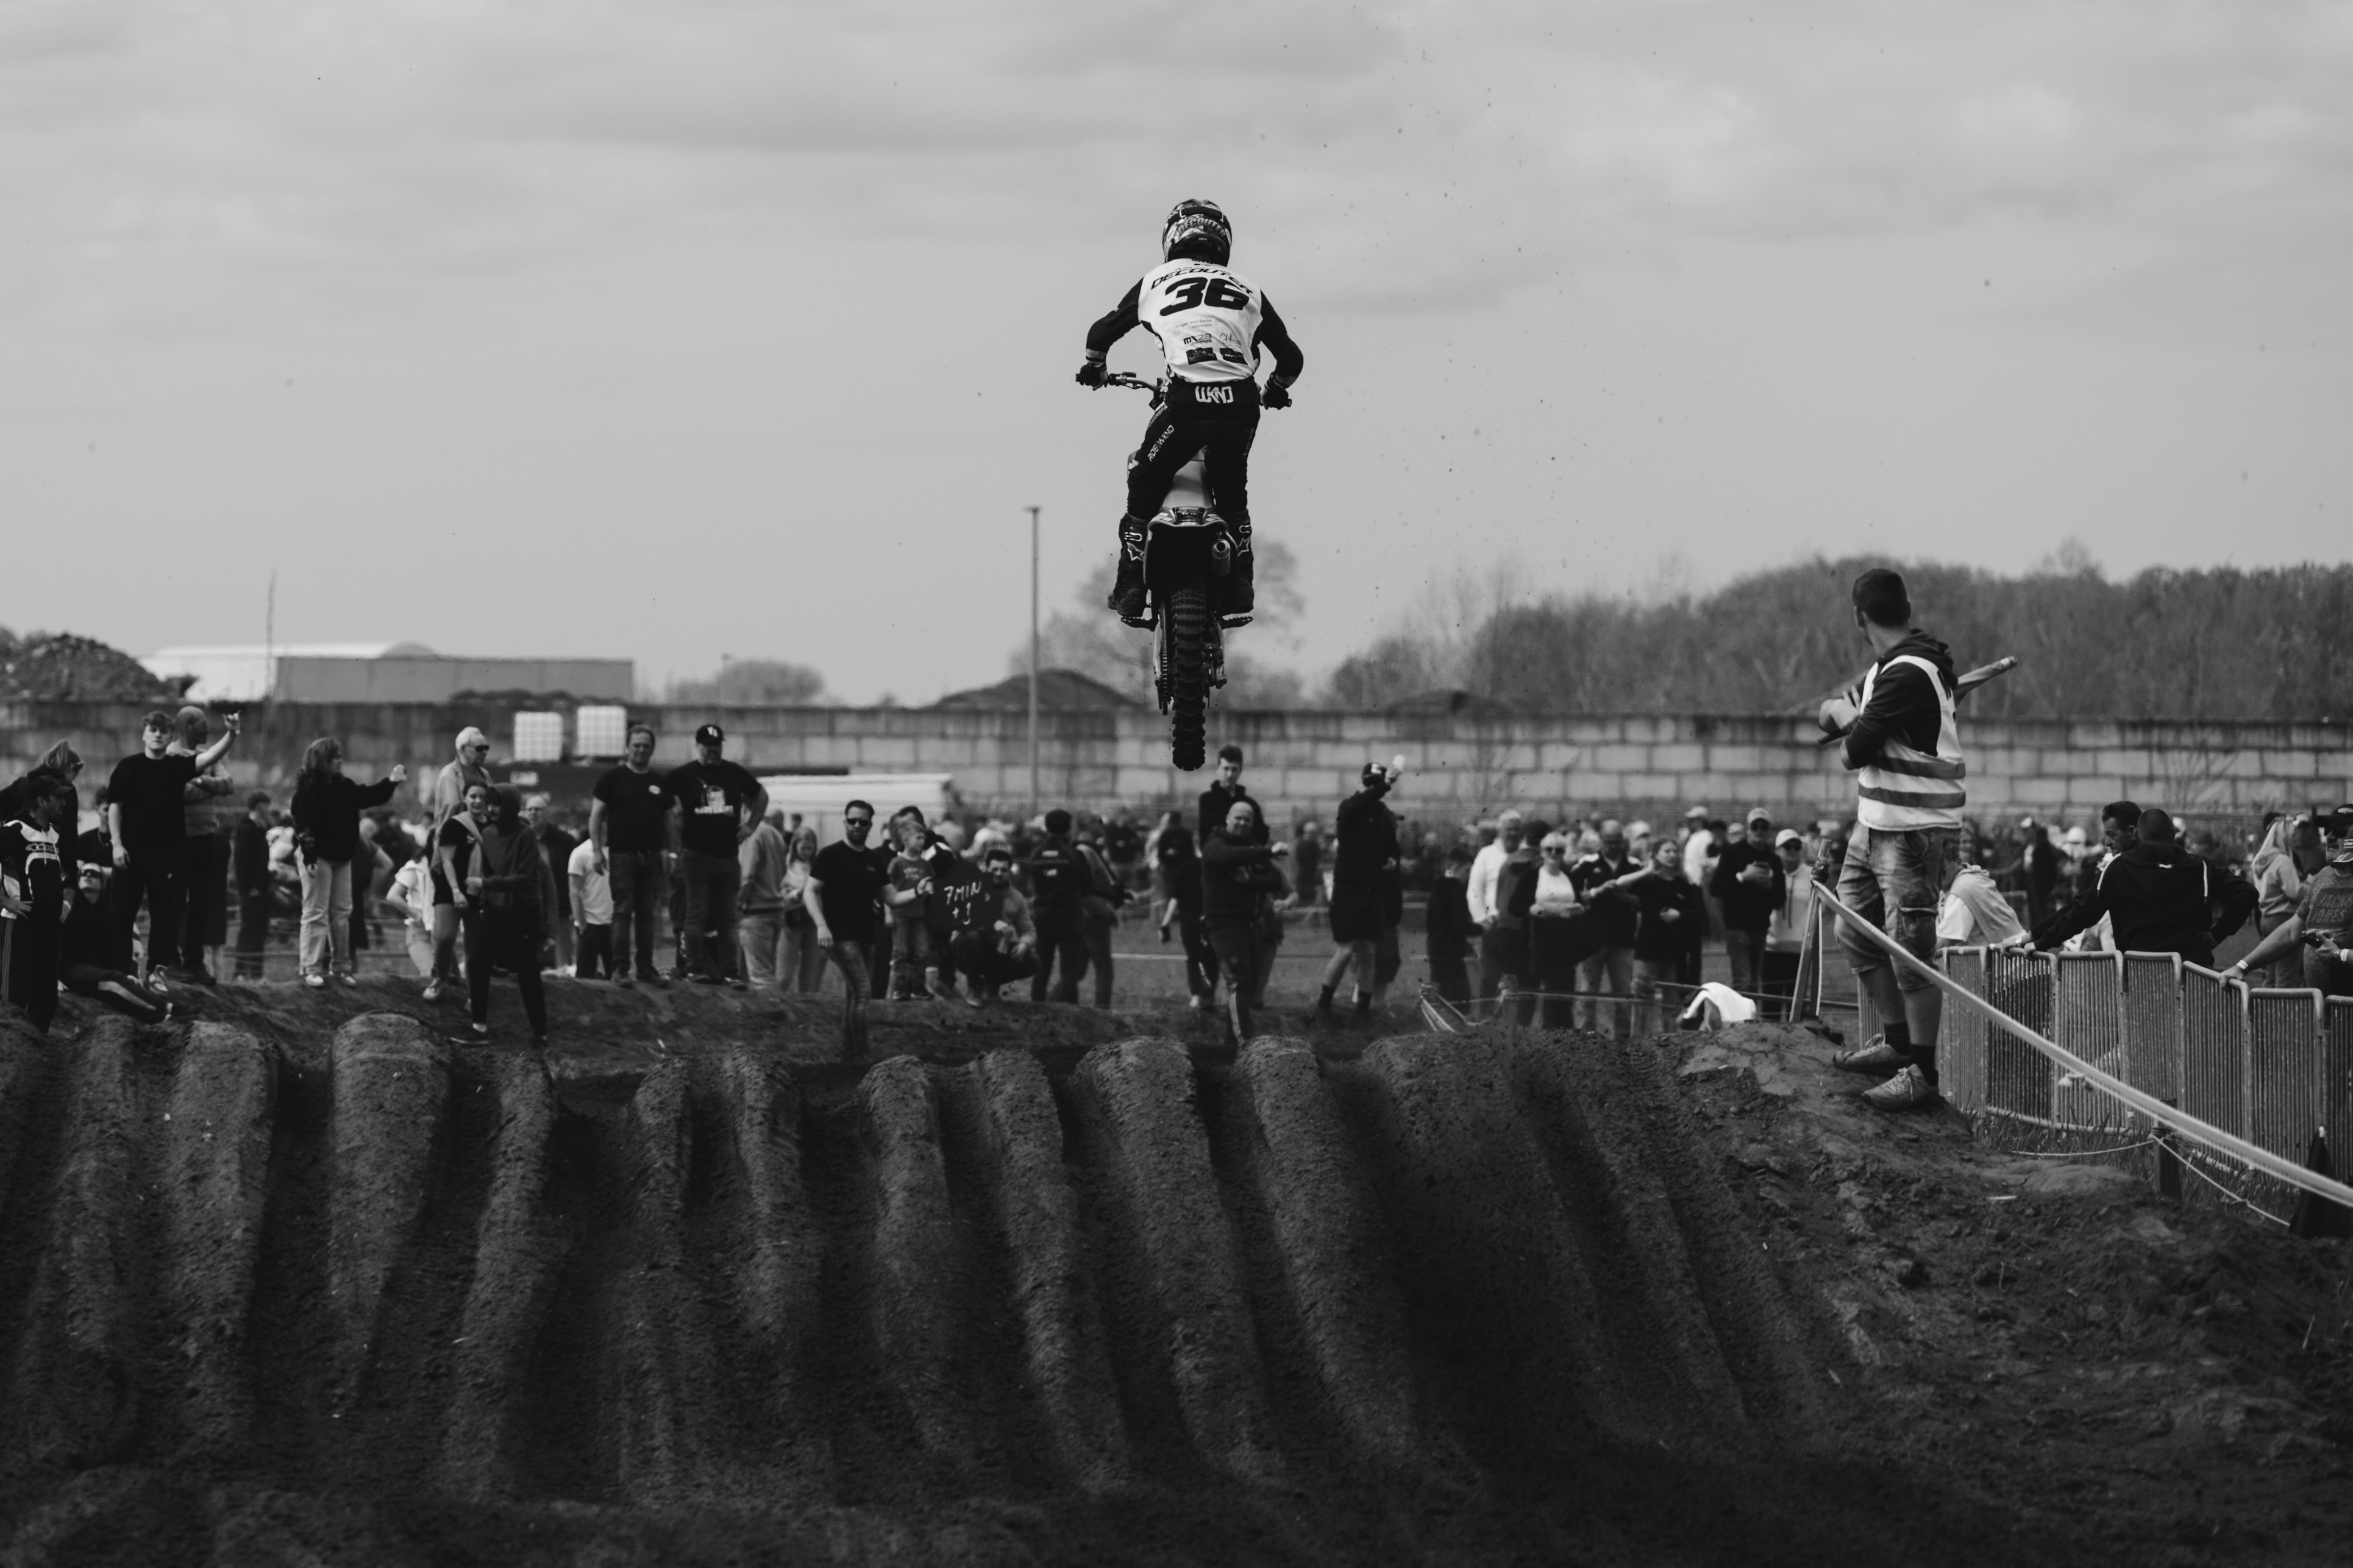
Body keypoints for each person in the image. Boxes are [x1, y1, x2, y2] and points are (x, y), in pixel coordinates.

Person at [1076, 198, 1305, 625]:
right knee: (1233, 490)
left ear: (1171, 241)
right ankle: (1240, 581)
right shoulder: (1247, 288)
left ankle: (1130, 585)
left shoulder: (1157, 280)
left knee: (1144, 479)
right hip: (1240, 403)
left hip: (1186, 403)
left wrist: (1095, 367)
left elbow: (1101, 332)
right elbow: (1291, 359)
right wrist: (1274, 390)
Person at [1815, 568, 1968, 1112]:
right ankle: (1898, 1042)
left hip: (1911, 832)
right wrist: (1843, 712)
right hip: (1876, 822)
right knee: (1853, 930)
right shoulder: (1891, 668)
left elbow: (1850, 751)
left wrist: (1843, 715)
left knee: (1911, 950)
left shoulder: (1909, 672)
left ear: (1859, 618)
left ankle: (1922, 1071)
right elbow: (1842, 717)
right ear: (1907, 607)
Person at [2025, 805, 2256, 970]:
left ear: (2138, 835)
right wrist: (2219, 933)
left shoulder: (2120, 869)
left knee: (2146, 1038)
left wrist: (2042, 943)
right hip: (2193, 970)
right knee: (2191, 1036)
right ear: (2173, 834)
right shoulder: (2201, 867)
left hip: (2142, 970)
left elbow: (2081, 913)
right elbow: (2246, 894)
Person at [107, 708, 240, 990]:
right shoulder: (127, 767)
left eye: (162, 731)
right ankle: (120, 970)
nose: (157, 735)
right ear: (144, 734)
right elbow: (115, 807)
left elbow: (210, 757)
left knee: (162, 917)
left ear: (170, 736)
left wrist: (231, 733)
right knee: (123, 914)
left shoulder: (176, 767)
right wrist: (117, 845)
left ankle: (155, 972)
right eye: (152, 730)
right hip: (131, 853)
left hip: (165, 855)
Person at [288, 739, 408, 988]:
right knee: (316, 913)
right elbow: (302, 825)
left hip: (342, 858)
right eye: (334, 758)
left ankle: (341, 967)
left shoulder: (344, 786)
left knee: (342, 912)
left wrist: (392, 782)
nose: (340, 761)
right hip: (317, 857)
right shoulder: (308, 792)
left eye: (340, 757)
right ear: (322, 761)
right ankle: (310, 968)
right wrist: (309, 855)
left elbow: (368, 795)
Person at [664, 723, 767, 988]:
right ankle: (695, 968)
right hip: (695, 856)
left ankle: (730, 972)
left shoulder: (733, 772)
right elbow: (659, 796)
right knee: (697, 913)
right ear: (697, 746)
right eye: (708, 746)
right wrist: (671, 831)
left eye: (717, 745)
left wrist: (751, 826)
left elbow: (761, 795)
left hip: (727, 856)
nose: (713, 750)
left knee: (727, 917)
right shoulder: (684, 775)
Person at [2227, 806, 2353, 998]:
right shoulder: (2323, 877)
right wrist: (2243, 966)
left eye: (2341, 831)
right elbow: (2291, 932)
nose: (2330, 837)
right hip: (2324, 1012)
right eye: (2328, 830)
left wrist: (2340, 954)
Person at [465, 786, 557, 1043]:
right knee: (477, 962)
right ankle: (479, 1027)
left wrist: (486, 885)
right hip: (496, 908)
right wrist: (485, 901)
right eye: (489, 803)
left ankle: (540, 1033)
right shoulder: (488, 834)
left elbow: (523, 878)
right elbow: (488, 869)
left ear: (511, 807)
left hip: (523, 910)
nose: (491, 809)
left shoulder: (525, 836)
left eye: (497, 804)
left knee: (527, 971)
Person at [588, 723, 676, 989]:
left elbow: (669, 820)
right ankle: (620, 969)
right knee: (623, 911)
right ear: (627, 747)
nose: (640, 750)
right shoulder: (612, 779)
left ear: (652, 750)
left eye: (646, 746)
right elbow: (596, 815)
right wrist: (595, 850)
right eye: (636, 745)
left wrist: (672, 852)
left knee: (648, 913)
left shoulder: (660, 782)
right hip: (622, 856)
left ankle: (646, 969)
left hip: (651, 857)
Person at [1316, 761, 1403, 1021]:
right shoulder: (1349, 808)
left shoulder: (1383, 816)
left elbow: (1392, 848)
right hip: (1349, 889)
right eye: (1370, 784)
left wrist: (1392, 861)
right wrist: (1385, 785)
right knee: (1345, 950)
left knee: (1368, 952)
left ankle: (1362, 1012)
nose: (1374, 789)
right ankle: (1323, 1005)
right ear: (1362, 784)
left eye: (1377, 784)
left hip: (1373, 889)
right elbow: (1360, 804)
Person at [1200, 797, 1290, 1045]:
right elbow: (1225, 857)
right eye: (1238, 818)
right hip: (1223, 924)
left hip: (1250, 924)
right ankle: (1244, 1043)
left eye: (1247, 820)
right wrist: (1266, 851)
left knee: (1246, 984)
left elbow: (1273, 880)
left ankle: (1232, 1043)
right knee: (1238, 980)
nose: (1242, 823)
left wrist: (1249, 881)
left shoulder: (1252, 847)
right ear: (1228, 819)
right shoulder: (1215, 843)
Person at [807, 801, 886, 1060]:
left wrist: (919, 891)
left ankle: (848, 1055)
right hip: (841, 936)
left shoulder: (874, 860)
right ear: (845, 822)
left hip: (866, 937)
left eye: (863, 822)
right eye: (852, 821)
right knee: (863, 993)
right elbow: (809, 891)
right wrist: (822, 927)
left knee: (854, 996)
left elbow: (893, 897)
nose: (857, 826)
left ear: (870, 826)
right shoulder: (831, 855)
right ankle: (862, 1054)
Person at [169, 707, 240, 985]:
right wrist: (210, 786)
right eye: (202, 725)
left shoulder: (209, 754)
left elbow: (229, 785)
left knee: (201, 902)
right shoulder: (172, 755)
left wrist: (200, 780)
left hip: (205, 837)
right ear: (187, 726)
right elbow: (179, 792)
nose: (207, 730)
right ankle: (171, 959)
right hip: (179, 838)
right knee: (176, 901)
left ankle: (194, 961)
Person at [423, 726, 494, 996]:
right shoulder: (448, 776)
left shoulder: (484, 775)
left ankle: (474, 982)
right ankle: (441, 974)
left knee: (476, 937)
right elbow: (452, 813)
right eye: (479, 748)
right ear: (462, 749)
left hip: (479, 862)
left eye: (486, 748)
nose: (484, 753)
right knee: (445, 934)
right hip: (452, 849)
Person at [1, 777, 76, 1032]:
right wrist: (5, 901)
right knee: (14, 997)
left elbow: (71, 875)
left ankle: (37, 1059)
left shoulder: (56, 834)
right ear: (41, 801)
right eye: (58, 797)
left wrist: (67, 902)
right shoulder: (15, 830)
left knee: (46, 998)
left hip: (51, 927)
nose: (64, 802)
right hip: (21, 925)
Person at [58, 863, 171, 1023]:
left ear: (103, 883)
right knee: (115, 980)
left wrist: (129, 974)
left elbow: (116, 950)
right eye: (84, 873)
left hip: (94, 973)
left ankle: (163, 1018)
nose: (88, 876)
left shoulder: (108, 914)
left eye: (94, 874)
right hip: (71, 970)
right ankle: (170, 1008)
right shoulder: (66, 909)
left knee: (118, 995)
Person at [1569, 820, 1642, 1039]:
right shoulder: (1586, 865)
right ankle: (1585, 1042)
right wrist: (1597, 892)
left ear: (1623, 842)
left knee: (1624, 996)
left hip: (1623, 940)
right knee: (1586, 996)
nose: (1613, 846)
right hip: (1592, 940)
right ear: (1601, 840)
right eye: (1609, 841)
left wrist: (1622, 896)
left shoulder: (1634, 866)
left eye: (1617, 842)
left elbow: (1643, 901)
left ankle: (1623, 1042)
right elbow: (1573, 898)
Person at [1629, 839, 1707, 1036]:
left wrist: (1679, 915)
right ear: (1655, 854)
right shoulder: (1646, 882)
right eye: (1667, 851)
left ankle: (1670, 1046)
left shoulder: (1684, 884)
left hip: (1675, 955)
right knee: (1642, 1004)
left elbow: (1698, 915)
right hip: (1648, 952)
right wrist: (1647, 871)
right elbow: (1620, 887)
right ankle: (1638, 1044)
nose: (1672, 855)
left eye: (1675, 851)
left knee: (1672, 1006)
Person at [1710, 808, 1787, 1003]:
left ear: (1769, 830)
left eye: (1764, 827)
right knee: (1743, 981)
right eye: (1755, 826)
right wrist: (1742, 877)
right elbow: (1715, 888)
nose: (1759, 831)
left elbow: (1779, 899)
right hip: (1737, 926)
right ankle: (1742, 1025)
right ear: (1748, 828)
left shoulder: (1773, 859)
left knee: (1754, 983)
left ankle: (1750, 1026)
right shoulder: (1732, 853)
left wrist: (1768, 886)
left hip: (1761, 928)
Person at [947, 842, 1038, 1005]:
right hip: (965, 948)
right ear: (985, 868)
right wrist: (993, 923)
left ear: (1010, 872)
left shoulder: (1016, 898)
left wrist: (1025, 943)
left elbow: (1029, 929)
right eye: (994, 869)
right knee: (973, 936)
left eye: (1004, 870)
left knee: (1033, 961)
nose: (998, 873)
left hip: (996, 949)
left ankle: (992, 981)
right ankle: (974, 988)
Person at [1527, 830, 1595, 1029]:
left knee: (1566, 989)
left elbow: (1580, 903)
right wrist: (1547, 910)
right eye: (1549, 849)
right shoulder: (1533, 876)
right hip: (1542, 939)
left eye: (1559, 850)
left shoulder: (1569, 877)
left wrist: (1576, 910)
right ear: (1542, 851)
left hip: (1566, 940)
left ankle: (1565, 1035)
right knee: (1549, 991)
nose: (1554, 853)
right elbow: (1520, 906)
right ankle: (1550, 1035)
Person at [1024, 809, 1091, 1003]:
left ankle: (1036, 1010)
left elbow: (1033, 885)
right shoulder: (1074, 854)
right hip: (1069, 919)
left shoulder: (1036, 854)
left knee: (1041, 969)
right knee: (1069, 971)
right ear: (1069, 829)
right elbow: (1087, 886)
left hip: (1043, 918)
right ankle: (1071, 1014)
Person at [2250, 813, 2323, 987]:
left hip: (2266, 918)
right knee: (2287, 974)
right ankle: (2283, 1013)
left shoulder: (2260, 860)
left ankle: (2264, 1011)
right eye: (2293, 833)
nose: (2296, 836)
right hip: (2284, 919)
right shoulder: (2283, 861)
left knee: (2271, 974)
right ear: (2286, 835)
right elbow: (2295, 892)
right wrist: (2311, 883)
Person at [883, 810, 949, 1001]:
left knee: (922, 953)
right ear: (905, 839)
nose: (922, 841)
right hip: (901, 915)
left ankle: (919, 988)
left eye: (923, 838)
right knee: (901, 953)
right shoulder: (896, 863)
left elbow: (932, 886)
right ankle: (901, 988)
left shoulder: (926, 865)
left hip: (920, 916)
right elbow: (887, 891)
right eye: (918, 837)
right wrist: (888, 914)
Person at [1466, 809, 1525, 1010]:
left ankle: (1515, 1025)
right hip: (1494, 928)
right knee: (1490, 979)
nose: (1513, 834)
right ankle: (1485, 1022)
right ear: (1499, 831)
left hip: (1521, 929)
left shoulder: (1527, 856)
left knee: (1517, 980)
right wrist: (1481, 919)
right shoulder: (1486, 855)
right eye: (1508, 829)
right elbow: (1474, 890)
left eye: (1517, 830)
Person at [1069, 817, 1125, 1009]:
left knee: (1077, 971)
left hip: (1088, 915)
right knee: (1103, 968)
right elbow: (1086, 888)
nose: (1103, 825)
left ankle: (1058, 1005)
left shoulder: (1089, 850)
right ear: (1088, 825)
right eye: (1098, 821)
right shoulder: (1085, 851)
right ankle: (1102, 1014)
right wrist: (1106, 911)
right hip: (1093, 915)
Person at [1760, 829, 1817, 1020]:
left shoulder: (1812, 876)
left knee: (1797, 1006)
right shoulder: (1769, 874)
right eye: (1787, 846)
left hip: (1799, 952)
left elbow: (1821, 909)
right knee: (1770, 1007)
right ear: (1777, 849)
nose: (1792, 850)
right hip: (1771, 949)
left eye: (1796, 846)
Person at [738, 807, 794, 990]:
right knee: (767, 972)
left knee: (761, 978)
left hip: (756, 912)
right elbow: (783, 871)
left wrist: (737, 907)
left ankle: (774, 1016)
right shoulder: (775, 834)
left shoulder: (751, 834)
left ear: (744, 808)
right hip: (776, 909)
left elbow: (747, 877)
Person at [524, 794, 577, 974]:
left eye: (538, 809)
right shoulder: (520, 839)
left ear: (546, 813)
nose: (533, 813)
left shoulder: (564, 841)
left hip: (559, 907)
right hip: (529, 907)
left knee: (562, 962)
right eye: (530, 809)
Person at [1425, 845, 1476, 1006]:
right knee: (1460, 998)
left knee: (1441, 992)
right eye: (1467, 871)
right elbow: (1460, 924)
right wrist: (1482, 928)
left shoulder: (1437, 889)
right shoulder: (1456, 892)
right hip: (1450, 952)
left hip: (1436, 948)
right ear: (1455, 868)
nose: (1469, 876)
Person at [233, 790, 274, 979]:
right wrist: (251, 887)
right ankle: (241, 973)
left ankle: (256, 974)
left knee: (259, 932)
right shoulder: (246, 830)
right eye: (268, 805)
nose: (270, 809)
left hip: (262, 889)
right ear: (260, 806)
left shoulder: (259, 830)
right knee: (248, 932)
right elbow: (242, 861)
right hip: (252, 891)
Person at [780, 826, 826, 993]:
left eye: (810, 848)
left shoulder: (818, 865)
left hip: (813, 922)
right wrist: (796, 894)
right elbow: (779, 894)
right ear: (795, 846)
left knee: (810, 976)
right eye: (803, 848)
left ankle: (807, 1011)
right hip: (792, 921)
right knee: (783, 977)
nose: (806, 852)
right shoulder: (786, 864)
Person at [567, 829, 616, 980]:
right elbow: (574, 892)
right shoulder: (580, 853)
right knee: (585, 979)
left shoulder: (618, 852)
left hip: (614, 924)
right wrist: (582, 925)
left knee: (616, 978)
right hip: (590, 924)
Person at [385, 847, 440, 979]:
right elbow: (393, 896)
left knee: (449, 977)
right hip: (420, 931)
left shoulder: (447, 866)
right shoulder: (417, 867)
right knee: (429, 974)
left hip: (440, 931)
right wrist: (416, 915)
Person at [1197, 745, 1257, 845]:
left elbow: (1260, 835)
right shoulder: (1208, 800)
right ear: (1218, 770)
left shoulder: (1250, 804)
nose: (1230, 774)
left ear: (1240, 771)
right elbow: (1207, 834)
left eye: (1234, 770)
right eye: (1226, 769)